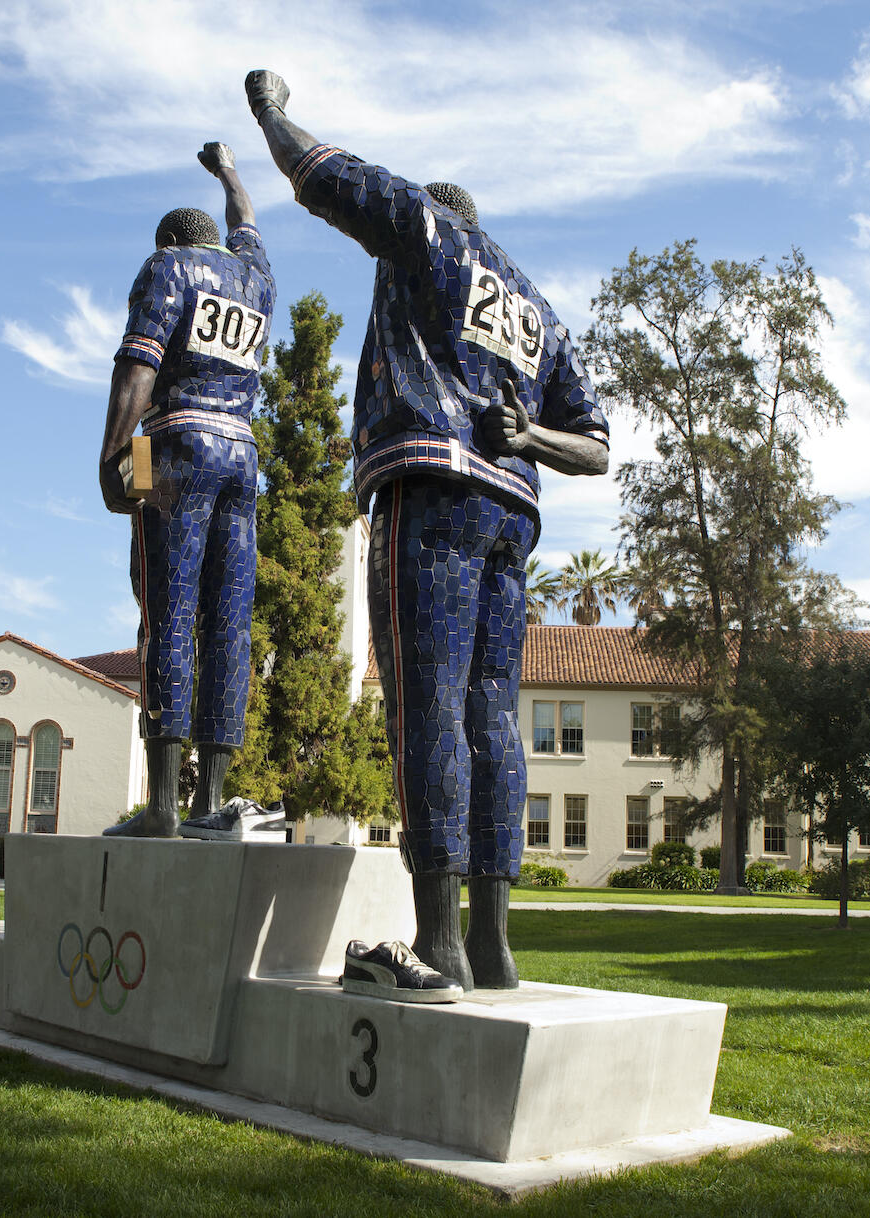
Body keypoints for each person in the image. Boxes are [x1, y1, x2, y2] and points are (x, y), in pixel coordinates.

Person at [245, 69, 610, 993]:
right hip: (514, 510)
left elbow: (323, 175)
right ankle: (494, 941)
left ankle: (437, 941)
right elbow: (597, 447)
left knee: (427, 702)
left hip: (434, 484)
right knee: (494, 711)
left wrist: (268, 110)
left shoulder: (431, 237)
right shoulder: (536, 309)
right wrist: (528, 436)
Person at [100, 141, 274, 837]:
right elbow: (249, 220)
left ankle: (166, 807)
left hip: (172, 446)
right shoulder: (256, 280)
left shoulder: (166, 267)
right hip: (243, 455)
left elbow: (138, 369)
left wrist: (115, 454)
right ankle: (214, 802)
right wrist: (229, 169)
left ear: (170, 240)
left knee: (166, 610)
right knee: (228, 620)